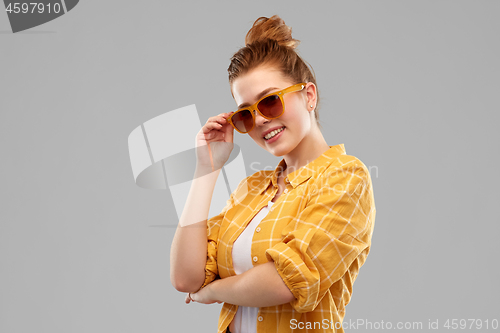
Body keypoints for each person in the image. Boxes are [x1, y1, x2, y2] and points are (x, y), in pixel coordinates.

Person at [170, 15, 376, 333]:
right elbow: (186, 277)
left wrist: (212, 292)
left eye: (269, 102)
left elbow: (287, 280)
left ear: (308, 95)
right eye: (246, 114)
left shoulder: (346, 178)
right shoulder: (250, 189)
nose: (261, 120)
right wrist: (206, 171)